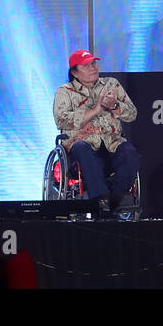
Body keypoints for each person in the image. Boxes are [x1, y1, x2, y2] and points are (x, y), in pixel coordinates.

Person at [52, 49, 140, 209]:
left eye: (93, 63)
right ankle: (101, 200)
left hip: (111, 142)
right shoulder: (65, 92)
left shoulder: (111, 84)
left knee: (129, 152)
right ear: (74, 72)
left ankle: (113, 201)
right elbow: (61, 120)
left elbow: (132, 114)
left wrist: (114, 105)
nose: (92, 67)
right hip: (81, 146)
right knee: (82, 148)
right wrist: (95, 110)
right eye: (86, 66)